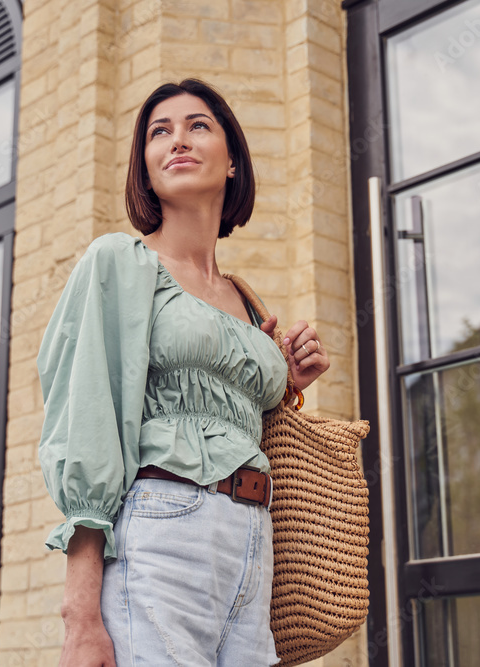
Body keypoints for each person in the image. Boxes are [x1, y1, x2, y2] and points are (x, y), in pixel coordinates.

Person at [35, 78, 331, 667]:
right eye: (159, 132)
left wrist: (287, 385)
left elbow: (230, 423)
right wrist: (80, 615)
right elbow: (87, 425)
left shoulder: (246, 302)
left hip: (255, 542)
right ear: (145, 170)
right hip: (162, 532)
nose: (178, 139)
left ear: (232, 162)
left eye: (198, 126)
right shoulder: (120, 263)